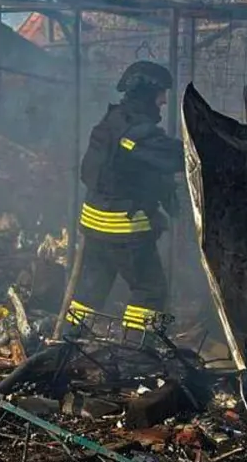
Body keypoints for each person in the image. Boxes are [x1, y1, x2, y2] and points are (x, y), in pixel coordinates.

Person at [66, 61, 184, 336]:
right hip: (122, 227)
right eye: (161, 94)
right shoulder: (136, 131)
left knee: (91, 289)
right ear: (147, 93)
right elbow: (172, 157)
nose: (164, 101)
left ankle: (69, 344)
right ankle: (139, 354)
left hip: (94, 224)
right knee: (150, 290)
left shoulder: (112, 121)